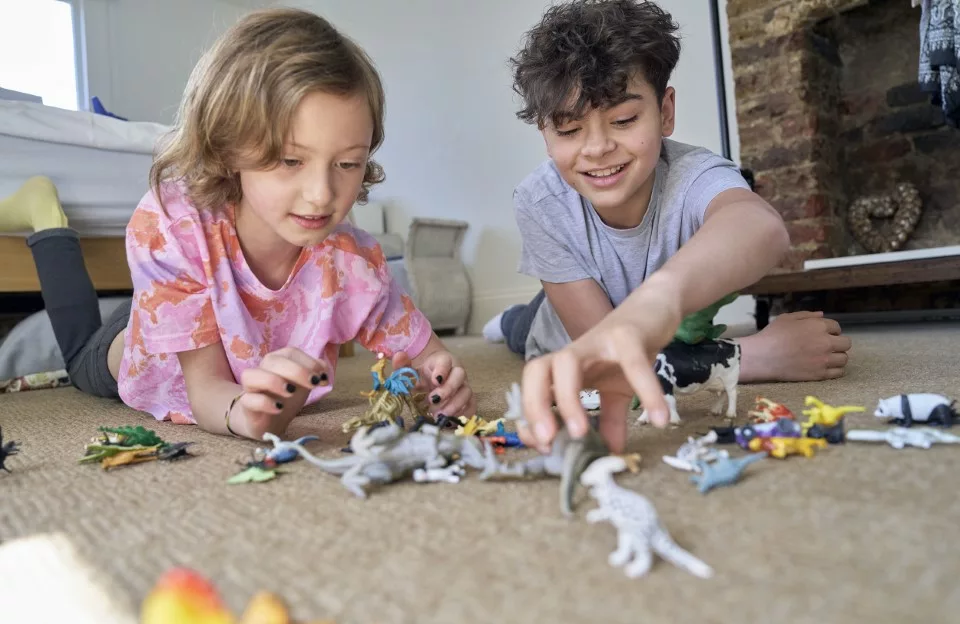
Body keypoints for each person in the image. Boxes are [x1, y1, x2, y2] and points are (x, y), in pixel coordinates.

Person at [0, 8, 475, 440]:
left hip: (214, 314)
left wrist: (441, 382)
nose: (322, 194)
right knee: (79, 351)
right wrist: (247, 416)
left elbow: (427, 355)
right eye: (290, 160)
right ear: (228, 148)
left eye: (347, 164)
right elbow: (206, 390)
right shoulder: (169, 225)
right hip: (134, 350)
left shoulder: (353, 261)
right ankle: (45, 219)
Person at [483, 0, 851, 453]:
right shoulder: (539, 201)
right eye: (569, 129)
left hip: (660, 320)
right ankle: (507, 320)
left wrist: (659, 298)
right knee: (524, 328)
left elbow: (760, 226)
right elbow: (611, 355)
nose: (597, 148)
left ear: (666, 110)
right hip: (563, 321)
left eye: (623, 120)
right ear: (544, 131)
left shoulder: (693, 174)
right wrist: (749, 356)